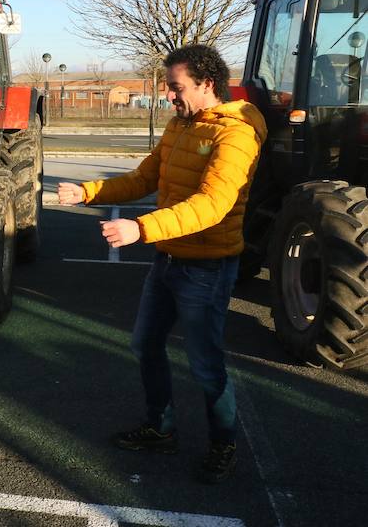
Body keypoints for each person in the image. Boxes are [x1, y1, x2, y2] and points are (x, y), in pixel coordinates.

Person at [58, 44, 266, 484]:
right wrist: (88, 193)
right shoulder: (180, 124)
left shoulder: (237, 134)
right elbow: (143, 178)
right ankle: (161, 427)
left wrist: (141, 228)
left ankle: (222, 444)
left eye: (176, 88)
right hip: (169, 260)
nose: (170, 97)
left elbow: (213, 204)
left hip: (207, 268)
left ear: (207, 84)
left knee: (205, 363)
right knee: (145, 344)